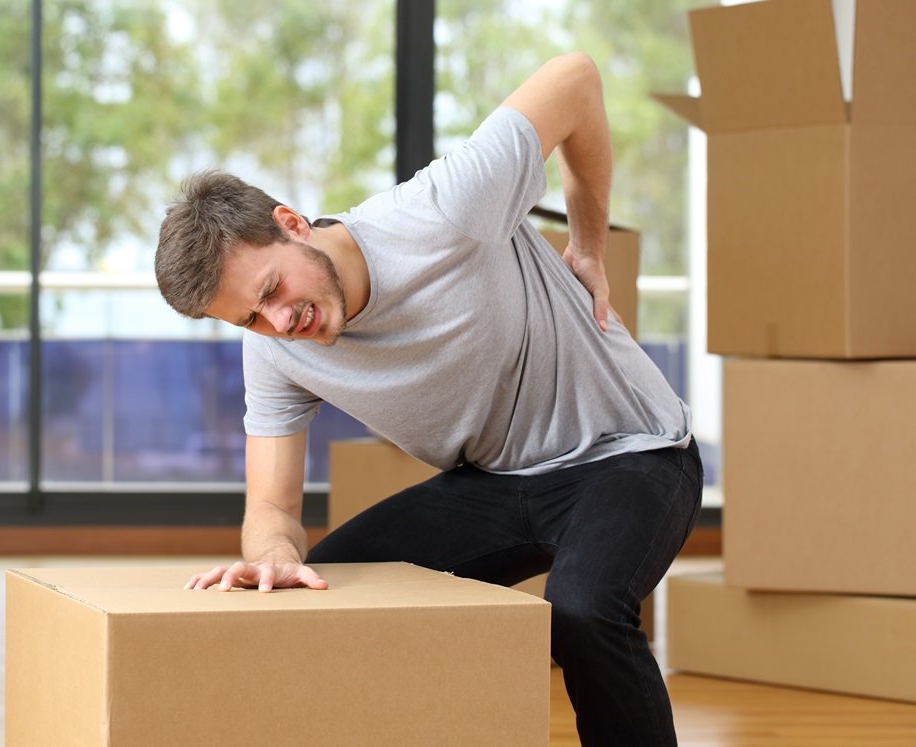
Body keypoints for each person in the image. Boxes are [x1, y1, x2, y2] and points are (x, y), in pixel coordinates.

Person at [154, 52, 702, 747]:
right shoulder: (274, 348)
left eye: (271, 293)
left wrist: (588, 244)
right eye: (249, 319)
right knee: (329, 591)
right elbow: (271, 507)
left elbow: (577, 79)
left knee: (583, 609)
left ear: (291, 223)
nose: (279, 323)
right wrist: (274, 557)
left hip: (634, 452)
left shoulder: (444, 209)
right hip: (501, 482)